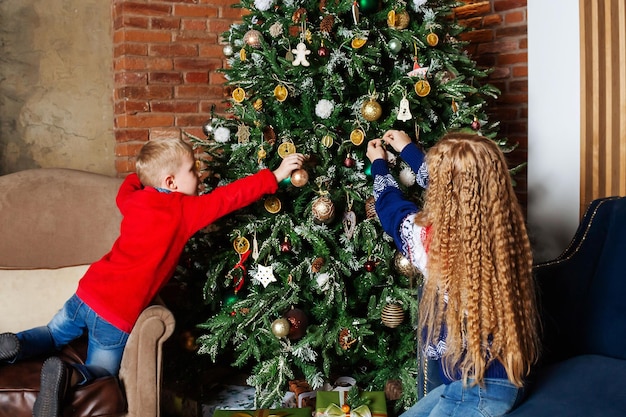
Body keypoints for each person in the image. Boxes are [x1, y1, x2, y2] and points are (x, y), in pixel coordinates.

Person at [0, 138, 304, 417]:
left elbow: (126, 189)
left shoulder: (135, 200)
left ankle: (16, 344)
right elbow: (229, 198)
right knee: (103, 373)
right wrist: (274, 175)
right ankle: (70, 375)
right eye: (192, 171)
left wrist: (142, 174)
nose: (199, 177)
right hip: (116, 313)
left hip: (88, 292)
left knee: (52, 334)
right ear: (170, 182)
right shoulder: (182, 211)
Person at [366, 130, 540, 417]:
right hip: (493, 381)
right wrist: (408, 149)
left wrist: (379, 164)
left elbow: (392, 212)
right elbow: (462, 183)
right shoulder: (504, 229)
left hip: (477, 393)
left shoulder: (431, 241)